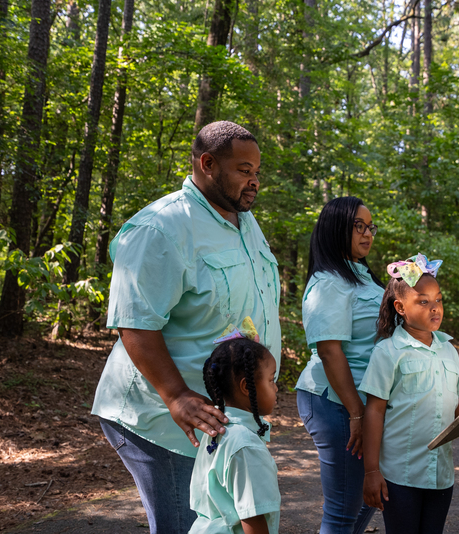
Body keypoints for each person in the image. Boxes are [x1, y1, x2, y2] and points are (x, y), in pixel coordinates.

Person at [91, 121, 281, 534]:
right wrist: (176, 395)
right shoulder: (160, 228)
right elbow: (135, 324)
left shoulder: (243, 221)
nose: (255, 183)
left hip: (221, 417)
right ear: (208, 163)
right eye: (245, 170)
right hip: (167, 421)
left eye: (257, 173)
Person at [359, 255, 459, 534]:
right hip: (401, 475)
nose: (435, 308)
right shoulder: (388, 353)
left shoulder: (449, 350)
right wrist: (372, 471)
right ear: (400, 307)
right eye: (423, 301)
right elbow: (374, 411)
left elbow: (457, 406)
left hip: (440, 476)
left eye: (439, 300)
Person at [295, 196, 384, 534]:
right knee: (342, 512)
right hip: (336, 402)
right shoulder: (328, 283)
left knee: (369, 498)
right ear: (336, 229)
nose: (367, 234)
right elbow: (330, 351)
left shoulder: (364, 276)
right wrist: (357, 413)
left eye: (370, 227)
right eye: (358, 226)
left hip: (363, 402)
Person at [189, 338, 281, 534]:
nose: (276, 388)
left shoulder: (217, 430)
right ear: (247, 386)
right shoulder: (246, 446)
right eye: (272, 380)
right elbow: (253, 522)